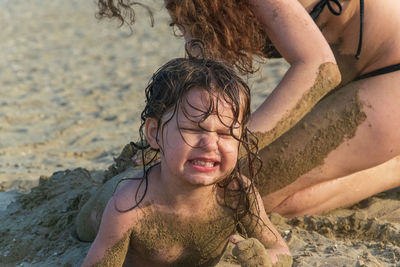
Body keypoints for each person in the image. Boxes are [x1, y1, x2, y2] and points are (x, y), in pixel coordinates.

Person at [95, 0, 400, 217]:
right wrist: (165, 135)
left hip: (390, 74)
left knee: (245, 199)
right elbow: (201, 74)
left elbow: (318, 68)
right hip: (348, 81)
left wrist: (237, 142)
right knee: (238, 188)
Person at [81, 57, 291, 266]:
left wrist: (267, 260)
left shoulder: (238, 194)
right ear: (154, 133)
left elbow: (280, 250)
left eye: (225, 133)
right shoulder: (130, 207)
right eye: (192, 129)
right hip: (104, 203)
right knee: (83, 224)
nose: (209, 144)